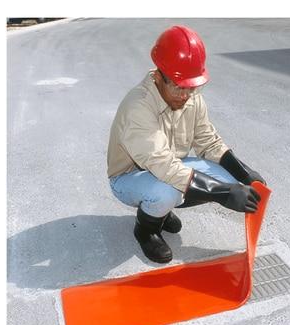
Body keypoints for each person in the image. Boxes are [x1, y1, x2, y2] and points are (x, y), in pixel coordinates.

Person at [107, 25, 266, 264]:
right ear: (158, 76)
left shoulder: (190, 98)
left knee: (230, 179)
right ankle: (146, 229)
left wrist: (245, 173)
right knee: (167, 190)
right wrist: (221, 194)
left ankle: (160, 212)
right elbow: (165, 167)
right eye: (178, 87)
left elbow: (208, 142)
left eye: (192, 87)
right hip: (130, 178)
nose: (185, 95)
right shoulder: (138, 106)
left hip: (169, 167)